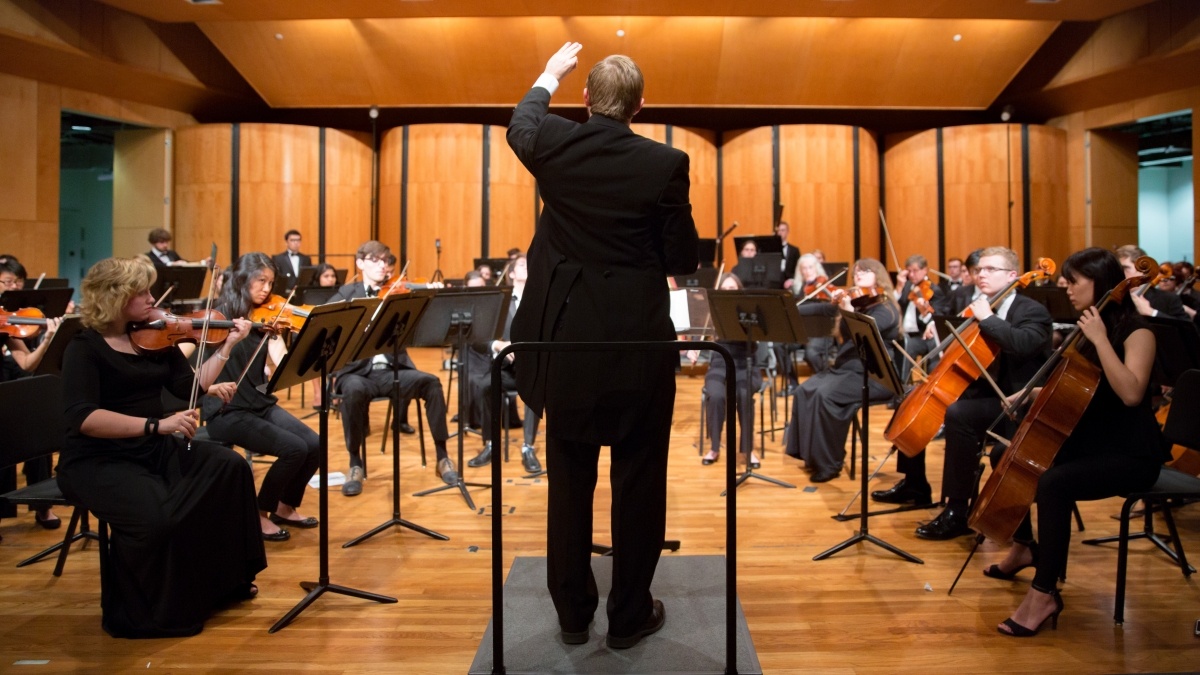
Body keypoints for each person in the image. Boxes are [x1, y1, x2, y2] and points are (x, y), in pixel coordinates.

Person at [507, 42, 699, 649]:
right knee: (638, 482)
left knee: (569, 482)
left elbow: (522, 124)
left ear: (586, 99)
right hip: (637, 345)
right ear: (641, 106)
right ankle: (628, 616)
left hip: (566, 343)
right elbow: (681, 258)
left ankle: (572, 616)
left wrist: (548, 75)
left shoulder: (554, 144)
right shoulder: (665, 163)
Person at [56, 256, 265, 638]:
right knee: (159, 519)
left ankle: (222, 583)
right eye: (143, 293)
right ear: (115, 298)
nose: (153, 299)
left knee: (229, 467)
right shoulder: (84, 348)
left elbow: (190, 388)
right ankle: (145, 614)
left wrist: (229, 345)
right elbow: (82, 417)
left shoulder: (153, 337)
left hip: (150, 449)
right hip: (97, 460)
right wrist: (156, 425)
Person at [988, 247, 1168, 637]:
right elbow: (1081, 389)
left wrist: (1100, 340)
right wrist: (1034, 395)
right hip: (1091, 442)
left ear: (1100, 282)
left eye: (1074, 281)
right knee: (1006, 452)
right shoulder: (1088, 326)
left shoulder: (1138, 332)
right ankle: (1023, 546)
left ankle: (1043, 593)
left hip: (1131, 453)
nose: (1066, 288)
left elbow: (1131, 394)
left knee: (1054, 483)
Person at [872, 247, 1053, 539]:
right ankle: (915, 484)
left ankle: (957, 510)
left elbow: (1023, 344)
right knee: (915, 398)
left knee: (959, 414)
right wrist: (942, 331)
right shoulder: (982, 305)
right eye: (980, 269)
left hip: (1016, 401)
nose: (982, 274)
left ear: (1012, 276)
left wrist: (988, 318)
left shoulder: (1031, 310)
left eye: (991, 269)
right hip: (982, 389)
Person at [201, 253, 320, 542]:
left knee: (315, 444)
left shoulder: (265, 318)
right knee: (294, 449)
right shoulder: (217, 318)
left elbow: (281, 362)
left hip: (258, 403)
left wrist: (291, 348)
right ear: (242, 280)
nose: (266, 289)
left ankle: (285, 506)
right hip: (226, 410)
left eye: (270, 282)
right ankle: (260, 512)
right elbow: (190, 371)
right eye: (260, 281)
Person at [330, 240, 459, 496]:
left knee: (431, 383)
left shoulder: (398, 293)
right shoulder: (347, 294)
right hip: (357, 372)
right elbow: (328, 326)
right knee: (353, 390)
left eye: (385, 260)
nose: (383, 265)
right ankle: (355, 463)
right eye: (375, 260)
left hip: (393, 369)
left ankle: (443, 456)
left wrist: (431, 295)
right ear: (360, 263)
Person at [784, 258, 900, 483]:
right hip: (847, 370)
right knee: (804, 391)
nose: (858, 275)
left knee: (825, 396)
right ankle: (811, 455)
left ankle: (830, 463)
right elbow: (822, 308)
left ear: (878, 276)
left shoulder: (886, 310)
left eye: (865, 271)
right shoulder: (859, 302)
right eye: (856, 272)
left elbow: (864, 335)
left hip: (875, 375)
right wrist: (791, 309)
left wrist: (848, 311)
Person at [463, 255, 543, 474]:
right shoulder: (500, 301)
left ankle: (528, 447)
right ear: (512, 274)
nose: (527, 266)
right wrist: (498, 345)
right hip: (505, 369)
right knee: (487, 386)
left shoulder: (540, 301)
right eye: (521, 264)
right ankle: (491, 443)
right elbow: (478, 338)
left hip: (531, 369)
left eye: (529, 263)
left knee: (535, 388)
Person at [686, 273, 763, 468]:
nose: (729, 292)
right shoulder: (712, 312)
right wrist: (693, 349)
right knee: (716, 396)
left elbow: (761, 336)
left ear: (739, 290)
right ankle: (714, 447)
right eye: (725, 289)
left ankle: (748, 449)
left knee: (743, 394)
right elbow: (698, 334)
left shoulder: (749, 312)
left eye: (732, 288)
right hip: (720, 364)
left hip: (746, 364)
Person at [893, 254, 949, 384]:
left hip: (922, 336)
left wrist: (924, 312)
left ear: (925, 270)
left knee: (907, 345)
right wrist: (899, 286)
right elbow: (896, 306)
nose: (911, 275)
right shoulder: (907, 286)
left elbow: (937, 320)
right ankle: (898, 384)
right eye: (909, 271)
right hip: (904, 332)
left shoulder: (934, 290)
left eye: (915, 271)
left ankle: (903, 384)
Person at [1115, 245, 1188, 320]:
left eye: (1125, 268)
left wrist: (1152, 313)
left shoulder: (1169, 299)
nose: (1119, 273)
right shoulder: (1112, 298)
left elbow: (1185, 326)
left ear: (1142, 270)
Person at [793, 253, 836, 375]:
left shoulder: (826, 285)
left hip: (821, 332)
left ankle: (825, 378)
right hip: (802, 331)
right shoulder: (797, 288)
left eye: (810, 267)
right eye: (804, 268)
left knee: (811, 353)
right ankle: (792, 382)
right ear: (800, 271)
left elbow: (832, 309)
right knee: (779, 346)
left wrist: (800, 309)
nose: (807, 271)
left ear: (816, 268)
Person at [777, 221, 800, 290]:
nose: (780, 233)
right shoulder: (771, 249)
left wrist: (791, 280)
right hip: (774, 283)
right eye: (778, 230)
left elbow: (798, 269)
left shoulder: (794, 250)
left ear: (787, 232)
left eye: (782, 230)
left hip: (789, 284)